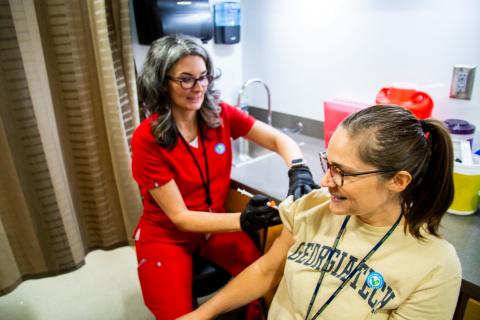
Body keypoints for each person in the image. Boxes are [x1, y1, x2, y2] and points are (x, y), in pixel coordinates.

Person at [178, 105, 462, 320]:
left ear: (398, 181)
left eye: (343, 172)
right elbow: (266, 271)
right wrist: (200, 315)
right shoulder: (315, 207)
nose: (325, 181)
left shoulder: (434, 265)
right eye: (328, 163)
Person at [130, 33, 318, 320]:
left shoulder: (220, 115)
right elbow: (180, 217)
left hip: (214, 227)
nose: (199, 87)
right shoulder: (148, 139)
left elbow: (280, 141)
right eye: (186, 79)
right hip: (168, 237)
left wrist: (299, 168)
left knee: (266, 276)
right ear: (161, 82)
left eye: (203, 76)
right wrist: (242, 221)